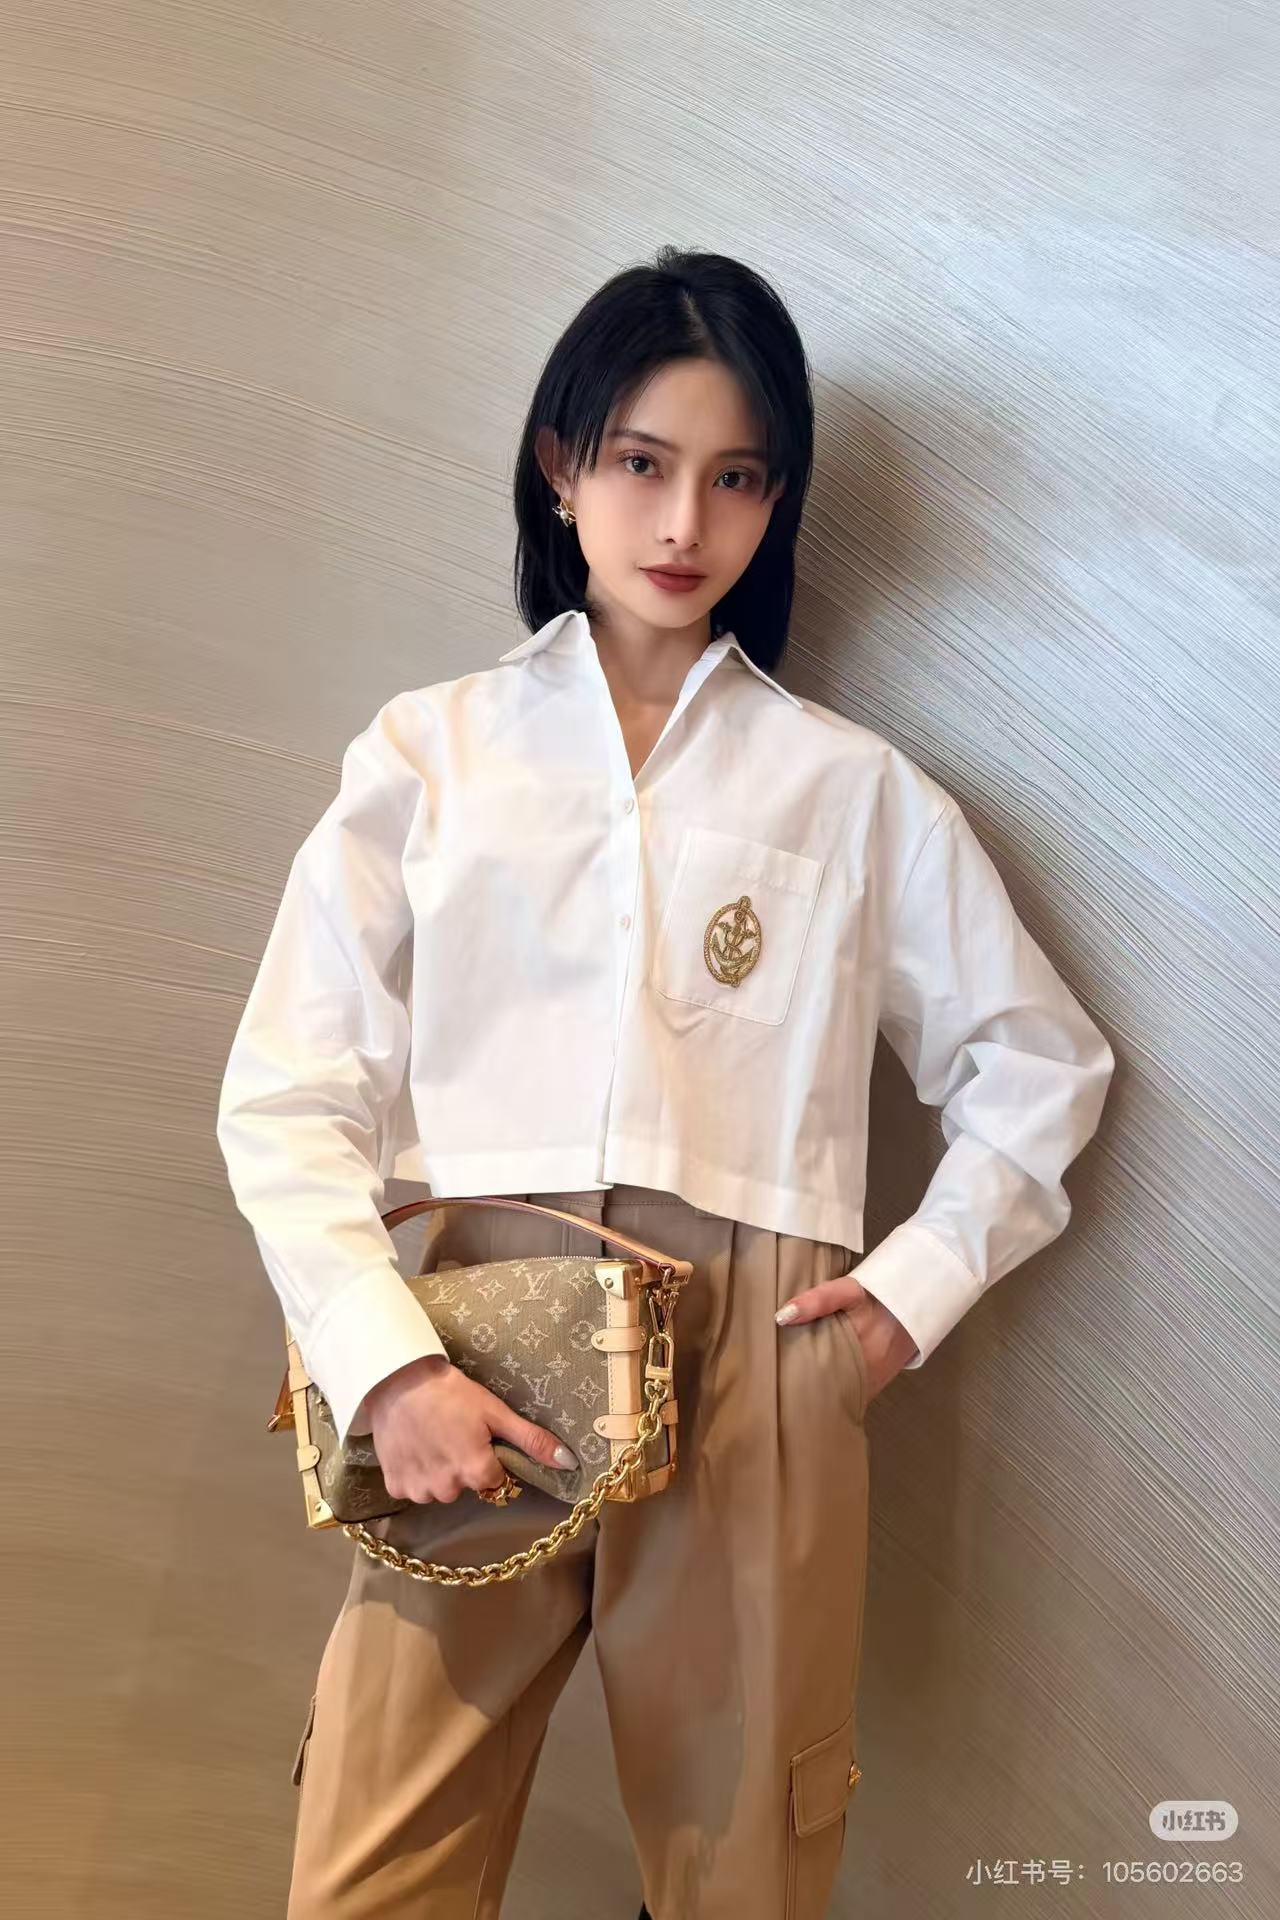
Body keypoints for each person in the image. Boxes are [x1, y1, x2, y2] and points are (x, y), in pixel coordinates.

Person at [215, 246, 1115, 1920]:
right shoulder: (432, 753)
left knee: (743, 1868)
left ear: (779, 501)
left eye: (738, 477)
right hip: (475, 1336)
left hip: (760, 1352)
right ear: (562, 467)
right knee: (371, 1862)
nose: (685, 520)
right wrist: (382, 1364)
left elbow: (1040, 1061)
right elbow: (286, 1089)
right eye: (641, 461)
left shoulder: (852, 793)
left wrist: (904, 1300)